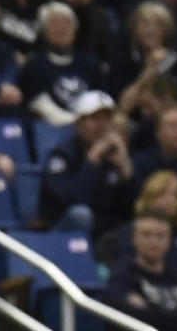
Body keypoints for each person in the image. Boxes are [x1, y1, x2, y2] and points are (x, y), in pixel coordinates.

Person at [39, 89, 137, 250]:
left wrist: (126, 168)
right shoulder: (61, 156)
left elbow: (134, 208)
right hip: (62, 234)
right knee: (81, 214)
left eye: (107, 119)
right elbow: (72, 201)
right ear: (78, 124)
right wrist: (92, 161)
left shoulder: (116, 155)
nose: (102, 126)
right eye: (94, 119)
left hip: (108, 236)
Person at [107, 212, 177, 328]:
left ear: (169, 240)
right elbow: (132, 320)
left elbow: (148, 316)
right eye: (146, 235)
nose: (154, 242)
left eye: (161, 235)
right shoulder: (121, 279)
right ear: (133, 239)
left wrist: (149, 309)